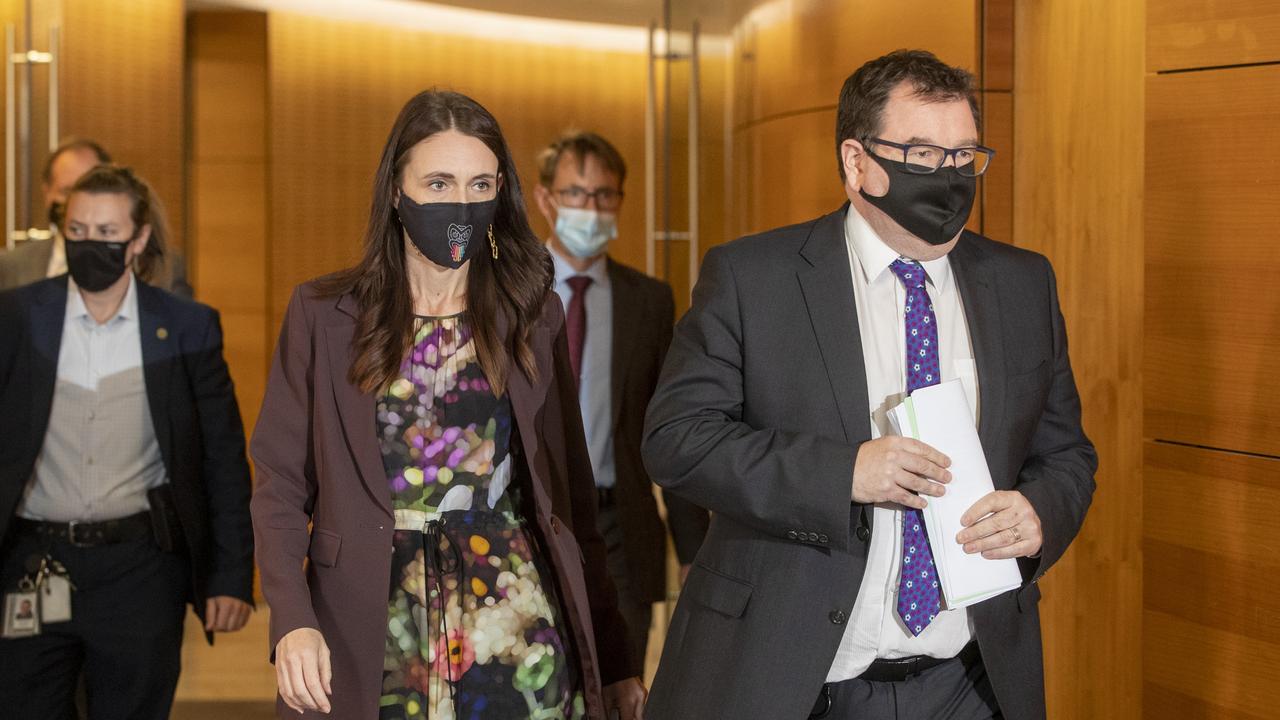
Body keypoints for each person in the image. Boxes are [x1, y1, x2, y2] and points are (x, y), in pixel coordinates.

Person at [642, 50, 1097, 720]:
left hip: (971, 682)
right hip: (794, 677)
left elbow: (1067, 456)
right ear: (857, 164)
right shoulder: (754, 278)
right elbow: (677, 441)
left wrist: (1039, 514)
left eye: (963, 155)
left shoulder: (1024, 283)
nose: (947, 178)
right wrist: (844, 473)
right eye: (920, 153)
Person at [251, 90, 647, 719]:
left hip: (512, 622)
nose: (459, 204)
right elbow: (278, 486)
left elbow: (570, 497)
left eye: (479, 184)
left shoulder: (532, 315)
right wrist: (292, 619)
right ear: (396, 192)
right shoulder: (324, 315)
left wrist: (617, 655)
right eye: (438, 183)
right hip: (372, 621)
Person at [0, 164, 255, 719]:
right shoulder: (18, 317)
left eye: (108, 234)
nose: (91, 244)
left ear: (138, 240)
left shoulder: (187, 327)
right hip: (34, 562)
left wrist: (231, 577)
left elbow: (222, 460)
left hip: (139, 571)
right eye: (79, 232)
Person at [533, 130, 709, 666]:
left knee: (623, 679)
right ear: (546, 199)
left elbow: (671, 423)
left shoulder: (650, 301)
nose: (591, 207)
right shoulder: (509, 293)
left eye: (605, 195)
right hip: (531, 515)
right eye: (576, 194)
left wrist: (692, 547)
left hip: (621, 526)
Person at [0, 137, 193, 296]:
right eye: (68, 191)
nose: (78, 204)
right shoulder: (11, 265)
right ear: (47, 192)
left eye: (91, 188)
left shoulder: (161, 266)